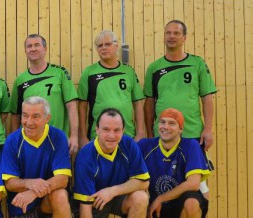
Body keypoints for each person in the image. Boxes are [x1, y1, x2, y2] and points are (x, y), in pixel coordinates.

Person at [144, 20, 217, 197]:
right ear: (163, 37)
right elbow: (149, 102)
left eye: (176, 33)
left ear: (184, 38)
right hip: (163, 134)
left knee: (199, 186)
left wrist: (207, 129)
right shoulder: (154, 68)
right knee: (161, 183)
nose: (171, 36)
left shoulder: (197, 64)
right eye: (168, 33)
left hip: (192, 134)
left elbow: (207, 97)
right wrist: (149, 131)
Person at [1, 96, 72, 217]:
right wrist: (29, 183)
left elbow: (63, 180)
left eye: (35, 116)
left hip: (48, 203)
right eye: (25, 115)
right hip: (22, 207)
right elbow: (10, 183)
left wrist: (33, 192)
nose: (29, 122)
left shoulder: (58, 136)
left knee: (60, 194)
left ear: (47, 118)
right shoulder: (12, 140)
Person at [9, 34, 80, 154]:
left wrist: (74, 136)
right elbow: (15, 115)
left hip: (57, 140)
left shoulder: (60, 73)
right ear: (25, 51)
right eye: (29, 46)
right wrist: (13, 141)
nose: (33, 49)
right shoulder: (20, 80)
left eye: (37, 45)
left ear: (45, 49)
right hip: (29, 142)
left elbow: (72, 105)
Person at [74, 108, 149, 218]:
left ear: (123, 130)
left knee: (141, 197)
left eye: (116, 130)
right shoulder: (85, 156)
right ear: (97, 129)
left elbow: (144, 182)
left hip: (118, 199)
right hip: (94, 204)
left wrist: (111, 191)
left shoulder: (129, 144)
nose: (111, 135)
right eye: (106, 129)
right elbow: (85, 207)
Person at [138, 108, 210, 218]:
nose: (165, 127)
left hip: (178, 204)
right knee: (137, 198)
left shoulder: (191, 145)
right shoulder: (144, 145)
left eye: (172, 123)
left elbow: (193, 184)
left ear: (180, 129)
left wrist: (161, 198)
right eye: (162, 122)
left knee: (192, 202)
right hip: (152, 203)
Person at [78, 30, 145, 146]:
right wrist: (83, 136)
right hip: (98, 136)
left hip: (127, 134)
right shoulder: (89, 73)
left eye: (107, 44)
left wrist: (140, 132)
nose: (103, 48)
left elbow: (138, 103)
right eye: (100, 45)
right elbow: (82, 107)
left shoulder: (128, 71)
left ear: (116, 46)